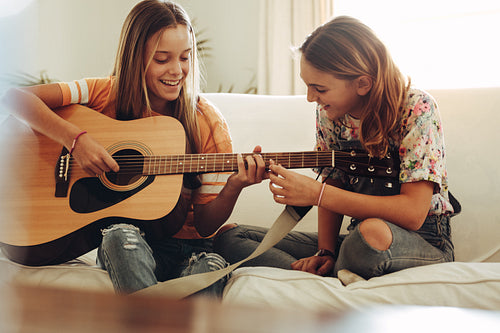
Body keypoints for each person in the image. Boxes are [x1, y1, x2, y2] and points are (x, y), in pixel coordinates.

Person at [2, 0, 266, 296]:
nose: (177, 70)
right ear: (134, 57)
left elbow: (205, 226)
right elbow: (14, 97)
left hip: (192, 249)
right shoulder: (103, 94)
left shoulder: (207, 122)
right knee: (118, 237)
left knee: (211, 268)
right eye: (162, 58)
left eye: (185, 57)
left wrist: (235, 185)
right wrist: (75, 140)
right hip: (128, 240)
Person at [214, 16, 458, 281]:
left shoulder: (416, 108)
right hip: (358, 236)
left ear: (363, 84)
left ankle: (325, 272)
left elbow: (413, 214)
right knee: (232, 236)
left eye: (319, 88)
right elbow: (336, 181)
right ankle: (327, 271)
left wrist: (317, 194)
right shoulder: (330, 114)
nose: (310, 98)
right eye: (307, 86)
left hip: (421, 240)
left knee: (370, 233)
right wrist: (325, 250)